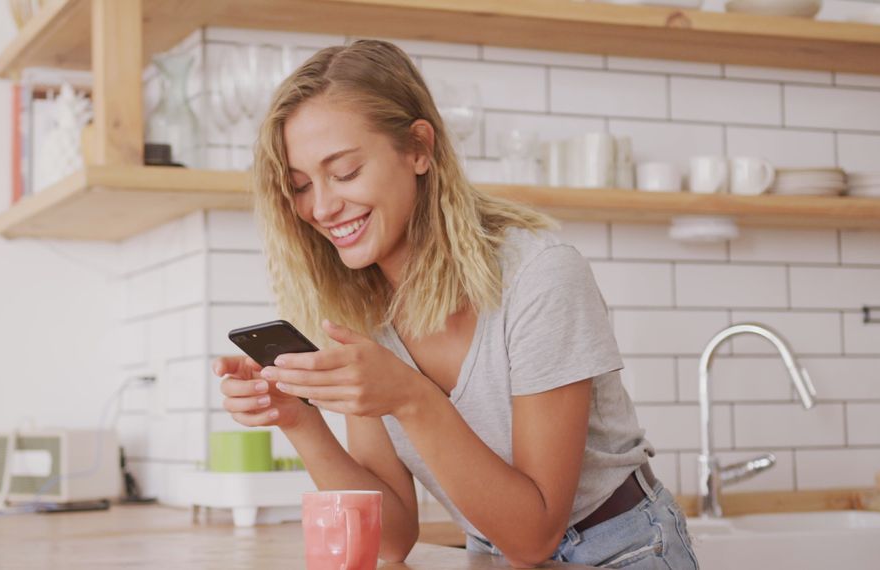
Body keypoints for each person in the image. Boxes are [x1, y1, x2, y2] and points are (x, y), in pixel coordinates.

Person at [212, 38, 698, 569]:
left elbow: (535, 535)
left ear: (419, 148)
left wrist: (410, 397)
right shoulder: (363, 310)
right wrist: (299, 420)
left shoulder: (540, 276)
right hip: (492, 554)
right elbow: (391, 537)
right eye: (301, 185)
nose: (322, 207)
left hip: (623, 551)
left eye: (346, 172)